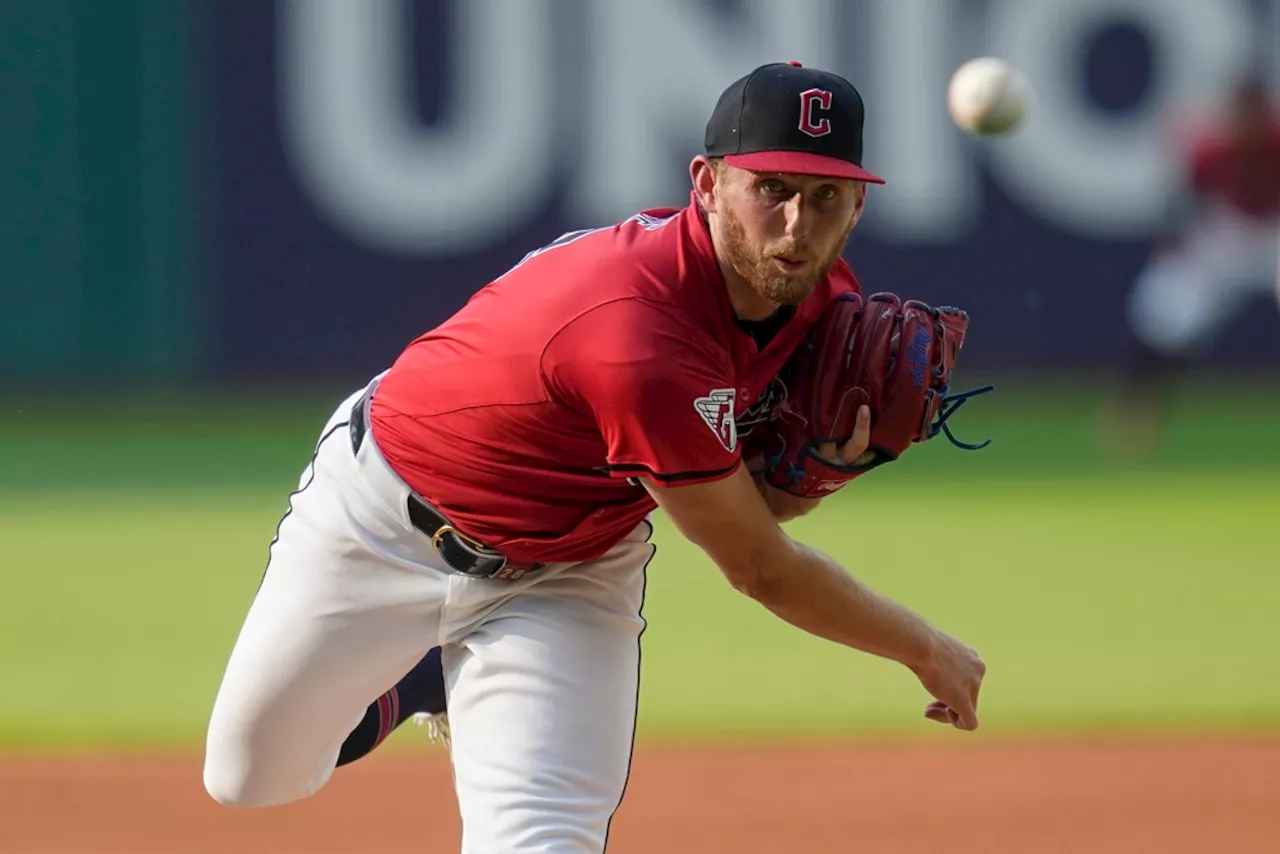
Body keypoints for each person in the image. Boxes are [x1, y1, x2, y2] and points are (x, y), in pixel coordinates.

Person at [202, 61, 987, 853]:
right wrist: (926, 648)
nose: (796, 225)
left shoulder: (818, 302)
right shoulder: (638, 331)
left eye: (825, 196)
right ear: (708, 185)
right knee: (251, 776)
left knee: (542, 839)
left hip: (573, 568)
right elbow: (759, 565)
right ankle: (421, 682)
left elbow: (750, 500)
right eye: (771, 188)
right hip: (383, 518)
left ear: (857, 207)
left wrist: (818, 466)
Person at [1107, 73, 1280, 457]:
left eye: (1254, 111)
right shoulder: (1211, 146)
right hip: (1227, 231)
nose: (1247, 120)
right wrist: (1174, 247)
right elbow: (1184, 202)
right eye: (1242, 111)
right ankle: (1136, 410)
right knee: (1168, 307)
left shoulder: (1275, 140)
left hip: (1274, 230)